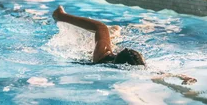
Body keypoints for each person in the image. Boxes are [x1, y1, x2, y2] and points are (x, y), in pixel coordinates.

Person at [52, 6, 197, 87]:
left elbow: (99, 26)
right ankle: (115, 35)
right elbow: (158, 73)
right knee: (111, 32)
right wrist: (180, 76)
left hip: (98, 59)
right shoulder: (137, 67)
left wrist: (180, 76)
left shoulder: (102, 55)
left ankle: (60, 15)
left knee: (104, 29)